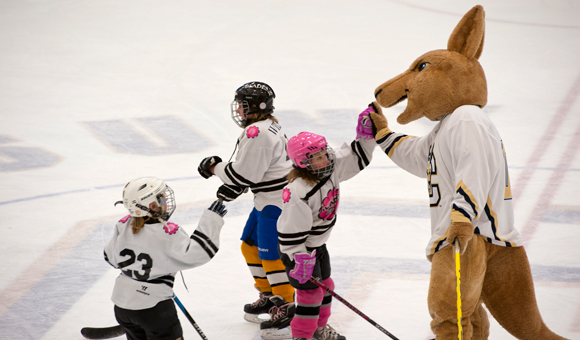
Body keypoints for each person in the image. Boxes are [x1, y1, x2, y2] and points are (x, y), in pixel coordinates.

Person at [197, 81, 295, 332]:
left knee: (270, 254)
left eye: (242, 106)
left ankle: (286, 304)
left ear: (255, 107)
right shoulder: (267, 126)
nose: (239, 111)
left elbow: (243, 176)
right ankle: (268, 295)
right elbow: (255, 172)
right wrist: (237, 182)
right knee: (250, 247)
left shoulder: (258, 133)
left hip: (275, 204)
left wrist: (213, 167)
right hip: (267, 199)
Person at [276, 104, 377, 340]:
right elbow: (289, 232)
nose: (325, 158)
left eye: (324, 152)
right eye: (317, 157)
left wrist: (365, 136)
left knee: (326, 287)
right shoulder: (298, 191)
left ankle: (318, 330)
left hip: (318, 246)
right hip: (299, 252)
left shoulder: (328, 169)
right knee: (310, 296)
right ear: (303, 163)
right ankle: (302, 336)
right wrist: (297, 257)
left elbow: (355, 157)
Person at [104, 177, 228, 340]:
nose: (166, 201)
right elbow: (199, 253)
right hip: (154, 310)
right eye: (161, 198)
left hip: (122, 307)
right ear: (151, 205)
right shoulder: (168, 232)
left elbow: (110, 257)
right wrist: (211, 220)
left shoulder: (123, 224)